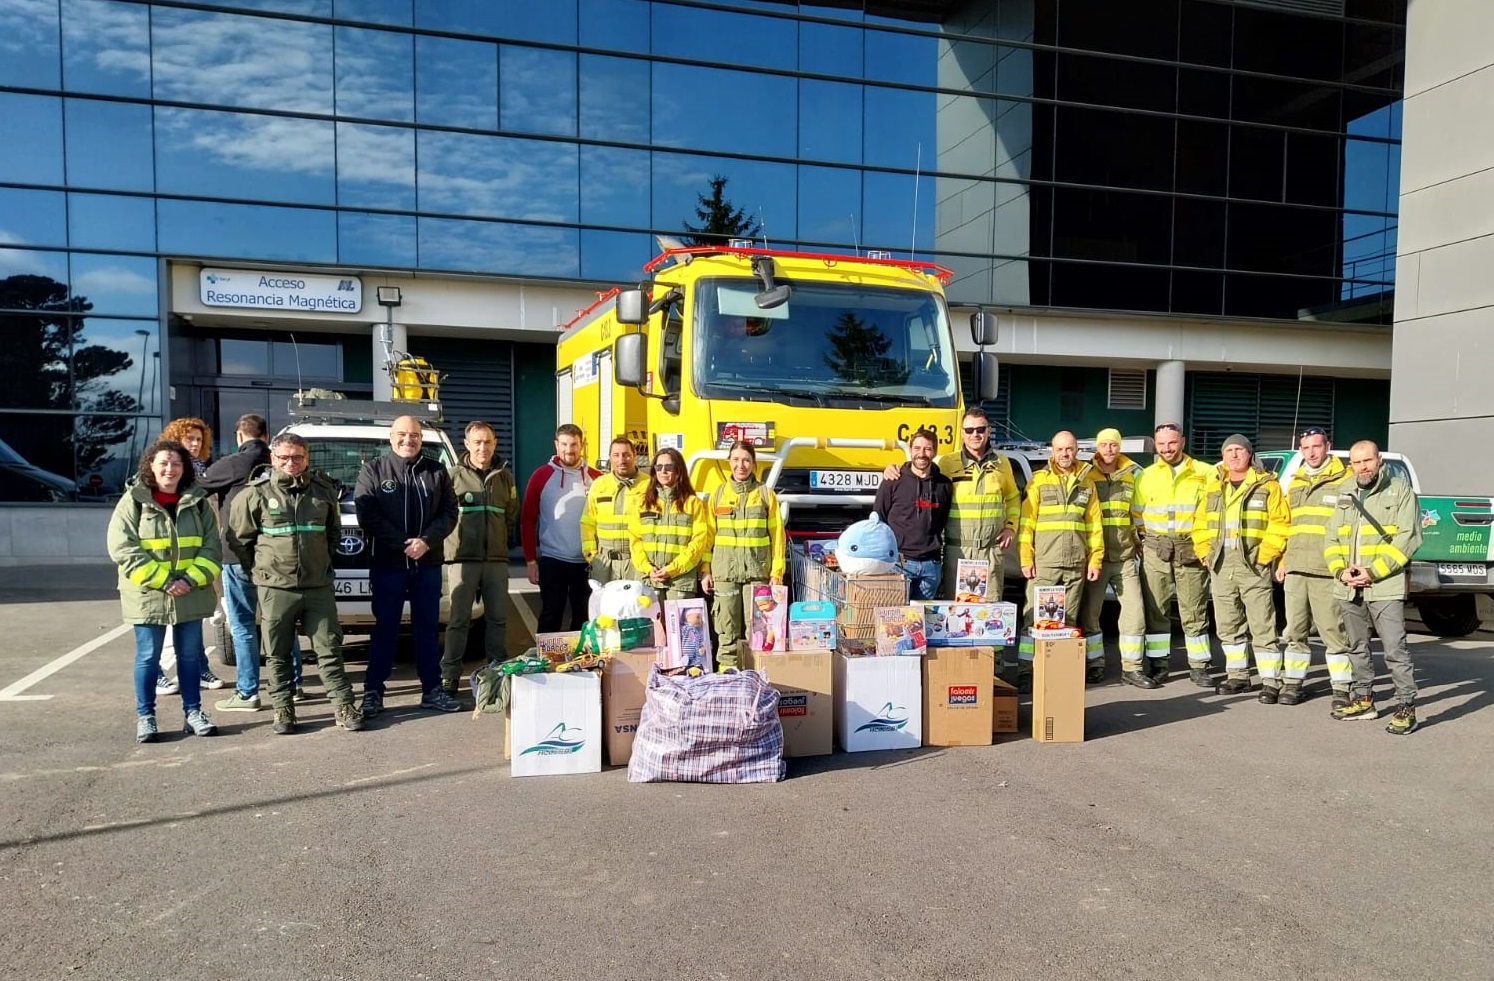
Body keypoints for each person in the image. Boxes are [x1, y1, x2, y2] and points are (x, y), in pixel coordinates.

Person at [226, 433, 363, 735]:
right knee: (278, 652)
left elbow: (333, 535)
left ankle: (343, 705)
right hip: (276, 588)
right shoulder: (254, 494)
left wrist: (320, 566)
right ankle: (283, 710)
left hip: (317, 587)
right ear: (273, 459)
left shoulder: (323, 491)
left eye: (297, 457)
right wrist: (260, 572)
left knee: (329, 649)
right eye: (284, 457)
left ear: (307, 458)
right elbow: (239, 541)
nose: (291, 463)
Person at [106, 439, 221, 743]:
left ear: (185, 469)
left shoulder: (198, 502)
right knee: (148, 656)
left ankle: (193, 713)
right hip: (148, 594)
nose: (170, 469)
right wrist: (164, 580)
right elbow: (123, 548)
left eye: (176, 464)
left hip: (190, 592)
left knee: (188, 657)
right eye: (164, 463)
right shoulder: (133, 501)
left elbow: (212, 548)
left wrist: (189, 580)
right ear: (151, 467)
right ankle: (146, 717)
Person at [353, 415, 459, 719]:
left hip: (428, 564)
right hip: (389, 565)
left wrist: (425, 541)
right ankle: (373, 692)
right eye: (402, 434)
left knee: (427, 629)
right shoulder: (373, 470)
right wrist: (404, 544)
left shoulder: (437, 472)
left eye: (414, 435)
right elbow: (367, 514)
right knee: (385, 628)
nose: (408, 440)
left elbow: (450, 513)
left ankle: (432, 690)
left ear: (421, 439)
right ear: (391, 437)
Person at [198, 413, 305, 712]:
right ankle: (293, 684)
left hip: (237, 555)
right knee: (282, 622)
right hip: (277, 554)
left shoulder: (232, 464)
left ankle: (247, 693)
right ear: (267, 434)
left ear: (239, 436)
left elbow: (195, 489)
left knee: (244, 625)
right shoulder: (281, 462)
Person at [1325, 440, 1423, 734]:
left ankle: (1406, 707)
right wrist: (1341, 571)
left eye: (1367, 460)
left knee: (1395, 649)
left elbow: (1409, 538)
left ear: (1379, 459)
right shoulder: (1344, 491)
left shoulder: (1400, 491)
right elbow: (1331, 539)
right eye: (1356, 462)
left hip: (1384, 585)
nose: (1362, 467)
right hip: (1349, 586)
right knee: (1356, 646)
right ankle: (1364, 699)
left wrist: (1372, 572)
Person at [880, 407, 1019, 603]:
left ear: (988, 431)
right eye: (969, 430)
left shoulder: (1002, 464)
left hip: (990, 551)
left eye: (980, 429)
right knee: (957, 612)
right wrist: (893, 468)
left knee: (990, 611)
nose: (975, 434)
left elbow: (1013, 498)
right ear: (962, 433)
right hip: (958, 551)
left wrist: (1010, 527)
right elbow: (920, 471)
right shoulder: (947, 463)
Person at [1191, 434, 1290, 697]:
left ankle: (1271, 680)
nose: (1233, 455)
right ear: (1223, 456)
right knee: (1228, 623)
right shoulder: (1214, 486)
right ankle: (1238, 676)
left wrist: (1265, 554)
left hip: (1253, 563)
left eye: (1239, 450)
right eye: (1228, 451)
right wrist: (1204, 553)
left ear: (1249, 454)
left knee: (1262, 622)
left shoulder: (1267, 485)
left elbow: (1280, 522)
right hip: (1221, 563)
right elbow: (1200, 524)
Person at [1017, 431, 1103, 686]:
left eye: (1070, 449)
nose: (1065, 454)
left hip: (1075, 564)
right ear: (1052, 452)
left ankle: (1059, 673)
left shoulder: (1087, 483)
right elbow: (1026, 524)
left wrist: (1095, 560)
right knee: (1033, 621)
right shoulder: (1038, 481)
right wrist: (1025, 558)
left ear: (1076, 450)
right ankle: (1026, 671)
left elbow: (1094, 526)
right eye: (1060, 449)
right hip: (1044, 563)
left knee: (1068, 621)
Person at [1275, 426, 1353, 709]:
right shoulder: (1294, 481)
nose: (1311, 452)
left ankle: (1342, 688)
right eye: (1306, 448)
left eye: (1316, 446)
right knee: (1294, 631)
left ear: (1327, 446)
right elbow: (1286, 524)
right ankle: (1293, 684)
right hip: (1296, 567)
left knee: (1333, 632)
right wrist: (1282, 560)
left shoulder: (1345, 480)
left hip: (1327, 568)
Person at [1133, 422, 1215, 686]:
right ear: (1155, 446)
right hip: (1156, 549)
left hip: (1190, 548)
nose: (1167, 449)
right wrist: (1147, 540)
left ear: (1182, 441)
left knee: (1195, 609)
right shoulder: (1146, 476)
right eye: (1161, 444)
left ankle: (1199, 666)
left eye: (1171, 443)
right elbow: (1136, 514)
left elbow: (1213, 513)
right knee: (1156, 610)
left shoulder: (1205, 472)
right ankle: (1159, 665)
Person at [440, 420, 516, 696]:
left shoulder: (504, 477)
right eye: (477, 442)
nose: (483, 447)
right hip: (462, 560)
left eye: (488, 442)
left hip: (495, 560)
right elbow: (442, 517)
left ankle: (497, 672)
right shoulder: (452, 477)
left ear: (495, 444)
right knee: (458, 620)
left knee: (497, 619)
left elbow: (510, 516)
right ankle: (449, 675)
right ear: (467, 444)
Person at [153, 416, 225, 692]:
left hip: (196, 558)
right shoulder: (162, 472)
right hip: (163, 561)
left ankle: (199, 669)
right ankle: (158, 671)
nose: (195, 444)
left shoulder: (200, 473)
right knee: (163, 621)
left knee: (194, 617)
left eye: (198, 439)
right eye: (189, 439)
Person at [701, 441, 786, 668]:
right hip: (724, 575)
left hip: (757, 574)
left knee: (757, 633)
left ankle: (753, 678)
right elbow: (708, 536)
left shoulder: (765, 496)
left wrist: (776, 573)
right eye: (736, 460)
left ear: (754, 464)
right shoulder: (717, 495)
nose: (741, 465)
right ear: (729, 462)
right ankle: (727, 679)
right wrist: (705, 571)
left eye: (746, 460)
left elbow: (777, 536)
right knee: (726, 632)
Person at [1083, 428, 1150, 688]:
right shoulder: (1086, 473)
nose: (1109, 449)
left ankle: (1132, 669)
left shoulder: (1134, 474)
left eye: (1113, 444)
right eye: (1104, 445)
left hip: (1124, 558)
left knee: (1135, 614)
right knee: (1090, 615)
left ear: (1119, 447)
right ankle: (1094, 664)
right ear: (1097, 447)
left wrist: (1140, 539)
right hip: (1095, 559)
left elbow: (1139, 512)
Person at [520, 423, 598, 631]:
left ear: (582, 446)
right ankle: (545, 662)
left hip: (586, 563)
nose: (569, 449)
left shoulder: (597, 478)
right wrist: (530, 560)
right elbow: (527, 519)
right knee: (551, 615)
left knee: (584, 618)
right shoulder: (541, 475)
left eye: (574, 444)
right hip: (553, 561)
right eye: (564, 444)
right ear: (556, 445)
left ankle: (581, 662)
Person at [872, 428, 953, 601]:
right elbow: (878, 520)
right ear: (910, 451)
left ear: (935, 452)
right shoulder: (893, 481)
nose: (921, 454)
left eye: (927, 449)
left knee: (923, 622)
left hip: (931, 567)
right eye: (917, 448)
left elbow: (943, 521)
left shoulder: (944, 485)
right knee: (895, 619)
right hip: (900, 564)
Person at [628, 446, 712, 603]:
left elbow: (698, 543)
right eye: (658, 467)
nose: (663, 471)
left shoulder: (693, 504)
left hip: (681, 581)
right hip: (649, 578)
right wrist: (647, 568)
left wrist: (672, 569)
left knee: (681, 628)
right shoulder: (642, 502)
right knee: (651, 627)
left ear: (678, 470)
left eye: (668, 467)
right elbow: (635, 539)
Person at [581, 436, 645, 586]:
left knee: (635, 608)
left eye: (626, 454)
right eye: (616, 455)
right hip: (604, 563)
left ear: (634, 455)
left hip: (636, 562)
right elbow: (587, 522)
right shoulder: (599, 485)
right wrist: (592, 556)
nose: (621, 460)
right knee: (605, 609)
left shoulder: (648, 485)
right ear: (610, 457)